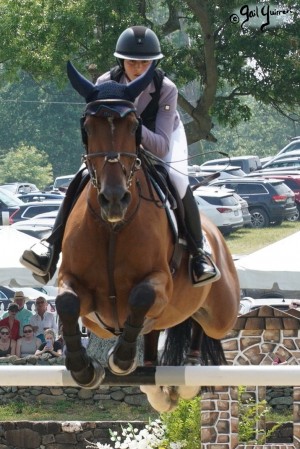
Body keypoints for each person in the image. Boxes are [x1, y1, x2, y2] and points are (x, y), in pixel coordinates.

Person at [20, 25, 218, 286]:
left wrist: (131, 125)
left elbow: (159, 145)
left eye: (145, 63)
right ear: (121, 60)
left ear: (153, 63)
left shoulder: (166, 88)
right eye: (132, 62)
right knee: (81, 177)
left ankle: (198, 253)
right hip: (117, 144)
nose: (138, 68)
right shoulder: (104, 84)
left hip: (161, 135)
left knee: (177, 180)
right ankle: (51, 247)